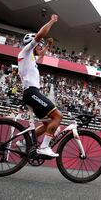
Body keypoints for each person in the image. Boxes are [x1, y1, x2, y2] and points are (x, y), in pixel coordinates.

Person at [16, 14, 62, 157]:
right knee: (57, 117)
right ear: (32, 42)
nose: (39, 46)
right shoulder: (26, 51)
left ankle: (23, 143)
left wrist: (47, 46)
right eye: (38, 44)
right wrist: (52, 21)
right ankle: (43, 147)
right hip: (31, 92)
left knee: (48, 124)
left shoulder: (30, 58)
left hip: (31, 93)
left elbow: (40, 55)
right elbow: (39, 35)